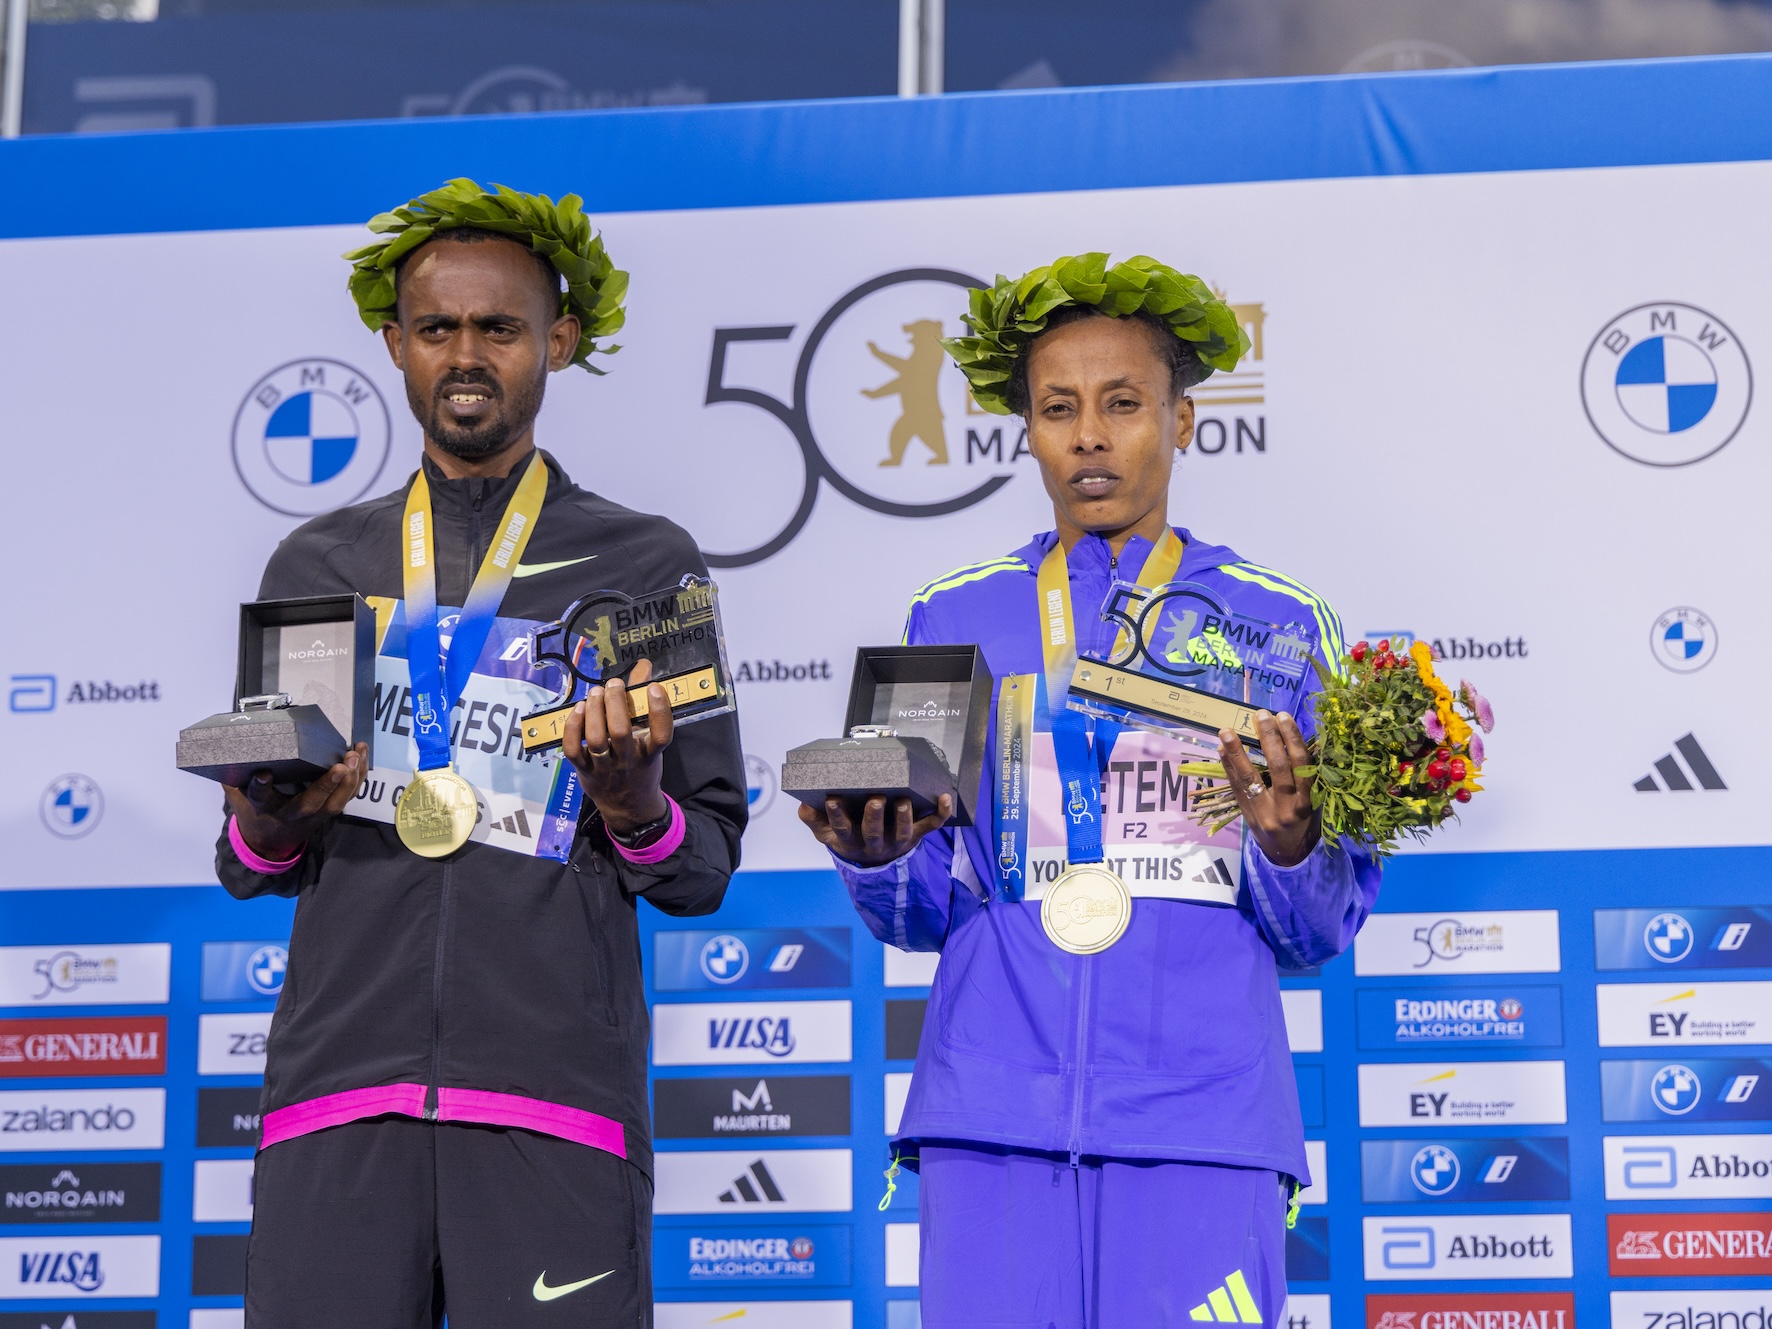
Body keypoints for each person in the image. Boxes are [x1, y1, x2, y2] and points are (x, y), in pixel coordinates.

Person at [800, 254, 1382, 1329]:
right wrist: (874, 853)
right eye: (1057, 408)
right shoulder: (952, 615)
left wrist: (1292, 845)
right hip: (990, 1109)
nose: (1089, 436)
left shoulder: (1282, 626)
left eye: (1122, 405)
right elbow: (921, 912)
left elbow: (1317, 925)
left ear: (1185, 420)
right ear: (1024, 429)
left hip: (1203, 1114)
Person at [219, 179, 745, 1328]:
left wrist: (630, 800)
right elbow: (253, 856)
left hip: (554, 1103)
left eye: (499, 327)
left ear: (556, 341)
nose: (467, 354)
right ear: (393, 342)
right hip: (338, 1100)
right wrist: (271, 818)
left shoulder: (645, 566)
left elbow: (701, 864)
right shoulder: (316, 561)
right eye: (439, 327)